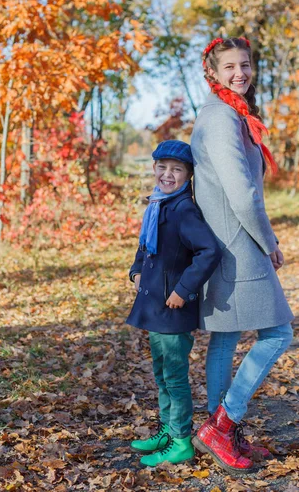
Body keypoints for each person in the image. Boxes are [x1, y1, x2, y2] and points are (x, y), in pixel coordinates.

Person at [191, 36, 294, 475]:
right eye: (230, 66)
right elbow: (242, 195)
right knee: (279, 333)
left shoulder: (229, 113)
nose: (240, 73)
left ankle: (222, 431)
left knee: (227, 338)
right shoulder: (220, 118)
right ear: (212, 72)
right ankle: (223, 422)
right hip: (237, 245)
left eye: (246, 65)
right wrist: (269, 241)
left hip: (226, 244)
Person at [127, 140, 222, 467]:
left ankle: (181, 439)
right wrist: (136, 271)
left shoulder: (183, 209)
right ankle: (168, 429)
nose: (168, 174)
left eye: (176, 169)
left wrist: (184, 289)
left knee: (175, 375)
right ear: (154, 168)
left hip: (173, 308)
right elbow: (144, 247)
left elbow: (209, 250)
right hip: (154, 306)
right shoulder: (158, 204)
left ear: (189, 175)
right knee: (162, 372)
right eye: (162, 167)